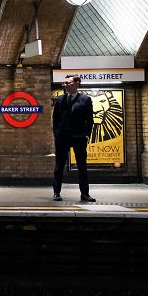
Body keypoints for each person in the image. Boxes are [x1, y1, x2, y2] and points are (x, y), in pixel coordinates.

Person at [52, 74, 96, 202]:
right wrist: (56, 133)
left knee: (82, 166)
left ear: (77, 84)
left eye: (69, 83)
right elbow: (55, 119)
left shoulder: (85, 99)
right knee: (59, 166)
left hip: (79, 137)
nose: (66, 85)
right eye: (64, 83)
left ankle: (85, 194)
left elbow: (90, 120)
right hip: (62, 137)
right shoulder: (60, 99)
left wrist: (86, 135)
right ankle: (56, 192)